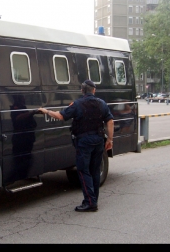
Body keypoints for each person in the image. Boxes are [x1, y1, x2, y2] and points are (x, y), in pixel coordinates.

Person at [38, 80, 114, 212]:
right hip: (99, 140)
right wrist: (110, 140)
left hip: (84, 141)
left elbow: (61, 116)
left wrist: (46, 111)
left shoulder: (78, 104)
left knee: (83, 171)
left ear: (82, 91)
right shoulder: (101, 103)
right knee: (94, 171)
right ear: (94, 90)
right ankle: (94, 199)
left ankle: (90, 203)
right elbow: (110, 121)